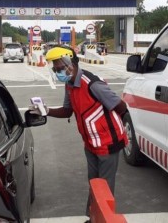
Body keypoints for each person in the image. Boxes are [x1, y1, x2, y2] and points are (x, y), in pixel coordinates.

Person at [29, 45, 128, 221]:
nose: (57, 71)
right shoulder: (69, 84)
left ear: (70, 63)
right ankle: (92, 218)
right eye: (55, 68)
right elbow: (67, 111)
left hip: (108, 143)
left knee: (104, 188)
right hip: (90, 143)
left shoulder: (92, 84)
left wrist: (117, 131)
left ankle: (101, 219)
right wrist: (46, 110)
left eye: (59, 67)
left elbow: (120, 106)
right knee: (94, 184)